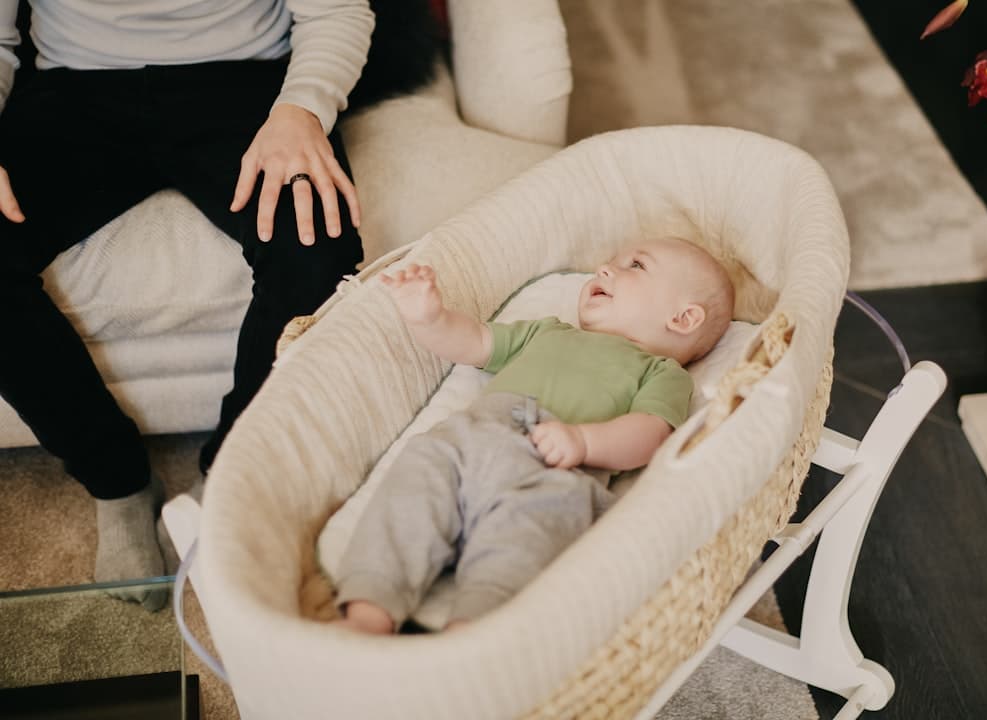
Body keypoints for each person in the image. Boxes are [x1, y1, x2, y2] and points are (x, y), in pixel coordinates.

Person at [0, 0, 435, 602]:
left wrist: (303, 107)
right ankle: (117, 482)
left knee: (317, 251)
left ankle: (233, 472)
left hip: (247, 80)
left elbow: (334, 10)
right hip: (72, 90)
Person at [332, 237, 736, 634]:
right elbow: (474, 342)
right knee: (419, 476)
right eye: (612, 260)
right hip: (473, 438)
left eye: (636, 265)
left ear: (683, 318)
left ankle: (473, 628)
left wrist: (584, 442)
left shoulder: (662, 374)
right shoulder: (548, 332)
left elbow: (649, 434)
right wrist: (428, 318)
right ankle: (372, 605)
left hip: (553, 471)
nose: (605, 268)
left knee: (526, 537)